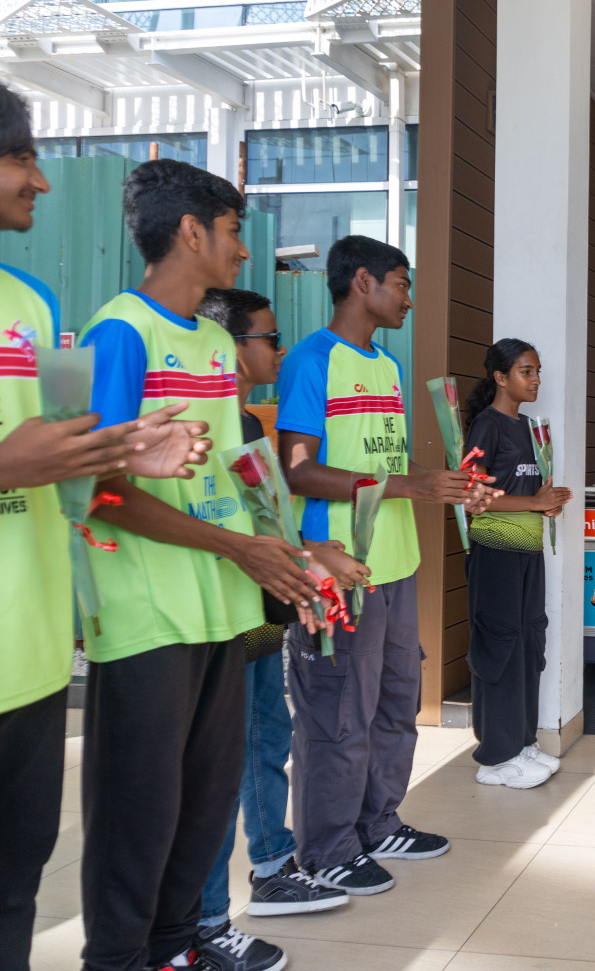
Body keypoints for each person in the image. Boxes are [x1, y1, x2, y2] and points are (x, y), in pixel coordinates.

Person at [78, 160, 327, 971]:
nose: (243, 252)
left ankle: (177, 950)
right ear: (191, 231)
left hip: (224, 613)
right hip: (147, 620)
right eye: (233, 232)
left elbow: (236, 475)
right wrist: (239, 548)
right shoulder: (119, 333)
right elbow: (99, 493)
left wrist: (295, 552)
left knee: (201, 807)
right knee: (138, 818)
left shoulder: (217, 344)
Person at [0, 89, 212, 971]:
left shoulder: (40, 306)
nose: (41, 181)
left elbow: (70, 445)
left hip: (37, 656)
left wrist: (128, 451)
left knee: (14, 888)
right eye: (21, 159)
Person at [278, 236, 497, 896]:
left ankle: (378, 823)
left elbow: (385, 467)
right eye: (401, 283)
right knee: (339, 713)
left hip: (397, 564)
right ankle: (327, 849)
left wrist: (443, 483)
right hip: (340, 568)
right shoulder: (313, 360)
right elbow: (300, 471)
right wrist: (410, 487)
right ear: (362, 282)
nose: (408, 296)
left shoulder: (390, 368)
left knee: (397, 703)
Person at [192, 289, 359, 964]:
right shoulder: (192, 425)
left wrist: (313, 565)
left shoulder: (252, 429)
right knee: (212, 770)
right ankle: (200, 923)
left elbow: (270, 523)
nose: (279, 351)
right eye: (268, 338)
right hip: (209, 623)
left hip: (259, 612)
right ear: (230, 347)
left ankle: (271, 868)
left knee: (264, 743)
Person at [462, 338, 573, 789]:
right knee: (500, 648)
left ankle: (522, 741)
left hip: (528, 553)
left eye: (538, 371)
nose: (536, 380)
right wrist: (533, 501)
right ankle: (495, 756)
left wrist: (545, 506)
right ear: (500, 377)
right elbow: (472, 499)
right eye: (526, 372)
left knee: (529, 643)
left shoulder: (530, 427)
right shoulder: (486, 426)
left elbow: (525, 495)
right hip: (495, 554)